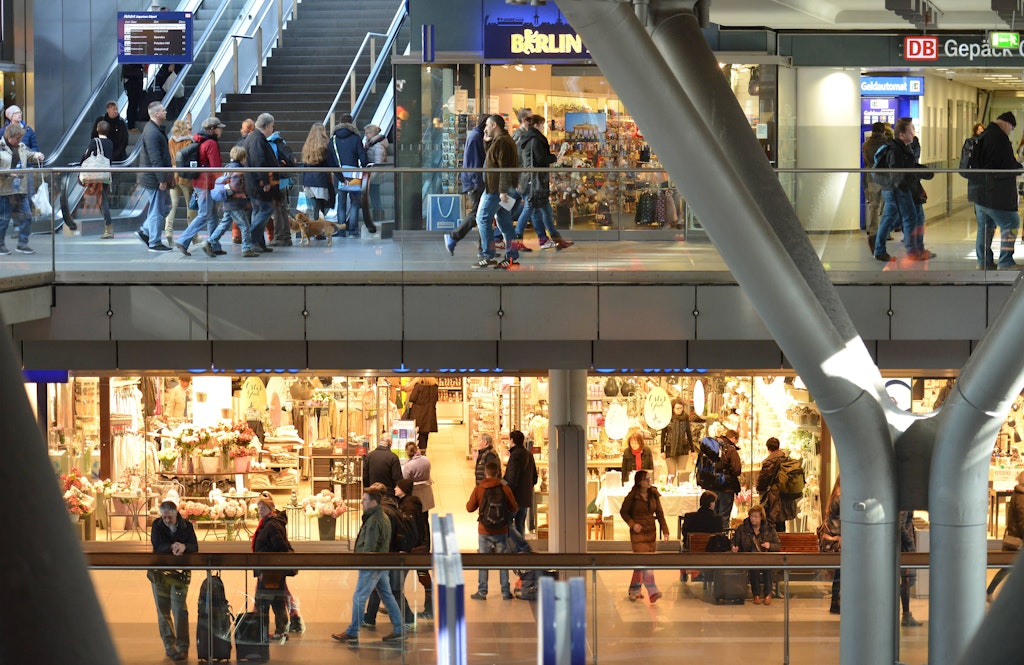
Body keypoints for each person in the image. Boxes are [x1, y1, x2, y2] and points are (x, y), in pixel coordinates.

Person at [331, 488, 406, 645]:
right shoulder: (382, 517)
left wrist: (362, 563)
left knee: (359, 597)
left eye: (365, 500)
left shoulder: (373, 521)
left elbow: (369, 549)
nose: (362, 502)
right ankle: (399, 629)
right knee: (387, 596)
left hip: (371, 566)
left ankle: (352, 632)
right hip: (381, 564)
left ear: (373, 502)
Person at [873, 118, 935, 262]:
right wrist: (905, 189)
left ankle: (880, 248)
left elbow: (909, 167)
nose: (913, 132)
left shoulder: (903, 148)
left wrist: (924, 171)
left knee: (892, 219)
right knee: (910, 219)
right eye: (911, 130)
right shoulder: (896, 150)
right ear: (901, 134)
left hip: (896, 189)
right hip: (898, 190)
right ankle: (913, 251)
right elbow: (897, 173)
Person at [148, 499, 198, 661]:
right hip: (160, 573)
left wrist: (184, 547)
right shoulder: (157, 526)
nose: (167, 520)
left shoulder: (187, 526)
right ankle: (170, 645)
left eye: (169, 517)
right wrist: (171, 547)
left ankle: (183, 647)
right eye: (164, 517)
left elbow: (194, 546)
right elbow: (157, 545)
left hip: (179, 573)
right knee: (163, 611)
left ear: (176, 513)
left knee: (179, 610)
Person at [362, 483, 415, 630]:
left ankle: (407, 619)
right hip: (392, 555)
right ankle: (370, 617)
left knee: (392, 589)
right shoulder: (392, 506)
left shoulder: (383, 512)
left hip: (387, 556)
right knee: (381, 587)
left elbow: (383, 537)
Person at [516, 114, 573, 250]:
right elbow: (541, 159)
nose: (543, 127)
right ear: (536, 125)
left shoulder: (527, 138)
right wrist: (555, 156)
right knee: (530, 209)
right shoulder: (536, 140)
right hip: (535, 182)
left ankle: (555, 240)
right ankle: (517, 239)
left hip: (532, 180)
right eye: (542, 124)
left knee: (544, 211)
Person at [973, 111, 1021, 270]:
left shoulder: (984, 135)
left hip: (979, 193)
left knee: (985, 227)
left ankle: (983, 262)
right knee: (1012, 222)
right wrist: (1019, 168)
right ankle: (1005, 261)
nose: (1011, 132)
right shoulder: (1000, 138)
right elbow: (1007, 165)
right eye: (1012, 129)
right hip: (996, 193)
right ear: (1008, 124)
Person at [473, 114, 520, 270]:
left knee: (482, 218)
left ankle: (489, 255)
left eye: (487, 125)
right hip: (501, 189)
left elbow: (503, 168)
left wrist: (502, 191)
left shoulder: (503, 143)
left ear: (495, 126)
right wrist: (487, 141)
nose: (484, 128)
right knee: (505, 222)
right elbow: (492, 159)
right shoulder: (501, 141)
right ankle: (512, 257)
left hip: (495, 190)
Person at [467, 461, 518, 600]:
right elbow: (514, 507)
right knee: (503, 561)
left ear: (485, 473)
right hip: (501, 530)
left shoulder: (479, 488)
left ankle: (482, 591)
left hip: (484, 530)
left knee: (483, 561)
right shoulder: (505, 488)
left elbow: (469, 508)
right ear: (498, 473)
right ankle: (505, 592)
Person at [174, 117, 226, 257]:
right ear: (212, 130)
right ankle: (183, 240)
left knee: (212, 214)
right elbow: (215, 167)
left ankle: (214, 245)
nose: (221, 130)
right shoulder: (211, 143)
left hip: (199, 182)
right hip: (206, 184)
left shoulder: (200, 140)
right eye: (219, 128)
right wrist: (222, 185)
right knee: (204, 214)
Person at [620, 469, 670, 603]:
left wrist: (665, 530)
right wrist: (632, 524)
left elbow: (659, 513)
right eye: (646, 479)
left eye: (649, 479)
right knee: (645, 562)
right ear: (639, 482)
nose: (649, 481)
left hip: (650, 533)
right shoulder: (633, 496)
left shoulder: (653, 494)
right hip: (638, 533)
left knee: (641, 562)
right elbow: (623, 512)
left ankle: (634, 590)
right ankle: (652, 590)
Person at [443, 114, 488, 256]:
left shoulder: (477, 136)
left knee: (483, 214)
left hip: (476, 181)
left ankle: (484, 248)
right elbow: (474, 163)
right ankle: (454, 237)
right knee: (478, 214)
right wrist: (477, 184)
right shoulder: (476, 137)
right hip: (476, 182)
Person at [252, 496, 295, 642]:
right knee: (276, 601)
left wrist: (271, 563)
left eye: (263, 507)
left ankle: (269, 631)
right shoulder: (269, 523)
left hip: (271, 571)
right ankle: (280, 631)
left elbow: (280, 546)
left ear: (270, 509)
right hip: (270, 570)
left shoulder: (271, 525)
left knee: (266, 602)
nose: (260, 510)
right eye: (258, 507)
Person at [206, 146, 256, 256]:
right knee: (245, 226)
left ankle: (210, 242)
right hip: (235, 203)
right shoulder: (238, 170)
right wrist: (244, 194)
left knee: (224, 224)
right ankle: (247, 249)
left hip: (228, 202)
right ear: (242, 157)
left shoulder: (228, 167)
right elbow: (235, 186)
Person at [396, 476, 434, 620]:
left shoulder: (408, 506)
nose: (395, 488)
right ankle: (429, 607)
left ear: (403, 490)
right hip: (420, 548)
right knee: (423, 577)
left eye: (398, 487)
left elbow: (410, 529)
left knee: (400, 579)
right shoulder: (412, 504)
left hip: (414, 550)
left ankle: (398, 605)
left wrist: (405, 545)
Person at [241, 113, 280, 254]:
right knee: (266, 210)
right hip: (259, 184)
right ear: (267, 126)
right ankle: (251, 239)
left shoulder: (253, 138)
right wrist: (264, 181)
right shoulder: (258, 140)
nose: (272, 129)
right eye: (272, 126)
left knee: (258, 212)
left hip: (253, 183)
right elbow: (259, 162)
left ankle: (259, 243)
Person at [0, 123, 40, 256]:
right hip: (5, 190)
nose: (19, 141)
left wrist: (36, 156)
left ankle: (22, 243)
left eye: (20, 138)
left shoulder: (22, 147)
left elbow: (29, 155)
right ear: (9, 137)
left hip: (20, 189)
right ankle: (0, 245)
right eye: (17, 138)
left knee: (26, 217)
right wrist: (7, 173)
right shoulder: (0, 148)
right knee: (3, 220)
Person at [327, 113, 368, 238]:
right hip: (354, 174)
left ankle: (341, 230)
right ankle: (353, 231)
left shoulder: (333, 140)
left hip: (339, 175)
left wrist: (338, 173)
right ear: (352, 124)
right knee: (355, 202)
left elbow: (330, 159)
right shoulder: (356, 138)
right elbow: (363, 158)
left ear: (339, 123)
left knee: (341, 204)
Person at [731, 504, 781, 605]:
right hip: (749, 557)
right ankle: (756, 594)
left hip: (765, 557)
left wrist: (769, 545)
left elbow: (778, 545)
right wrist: (734, 547)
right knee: (754, 567)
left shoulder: (769, 528)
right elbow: (734, 541)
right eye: (751, 516)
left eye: (756, 516)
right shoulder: (742, 528)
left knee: (768, 567)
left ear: (761, 517)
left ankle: (768, 594)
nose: (753, 519)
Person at [987, 471, 1024, 601]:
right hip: (1018, 540)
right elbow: (1022, 519)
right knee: (1007, 567)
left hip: (1015, 537)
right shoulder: (1021, 497)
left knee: (1008, 568)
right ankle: (989, 592)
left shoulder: (1017, 494)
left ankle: (990, 592)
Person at [699, 427, 742, 530]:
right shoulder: (730, 450)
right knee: (724, 517)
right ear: (732, 438)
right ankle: (722, 541)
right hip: (726, 488)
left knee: (711, 516)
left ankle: (711, 539)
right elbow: (737, 470)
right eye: (736, 440)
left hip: (711, 486)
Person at [165, 118, 196, 247]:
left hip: (173, 175)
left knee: (172, 205)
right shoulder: (189, 142)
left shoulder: (170, 141)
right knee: (191, 206)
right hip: (186, 177)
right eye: (189, 129)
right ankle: (193, 235)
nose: (191, 131)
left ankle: (168, 232)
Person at [756, 437, 798, 533]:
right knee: (781, 521)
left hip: (774, 495)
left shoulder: (769, 461)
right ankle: (782, 542)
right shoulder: (787, 458)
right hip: (786, 492)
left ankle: (775, 543)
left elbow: (763, 479)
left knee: (773, 521)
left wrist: (759, 489)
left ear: (768, 448)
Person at [504, 429, 538, 548]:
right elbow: (535, 478)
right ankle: (521, 553)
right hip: (525, 498)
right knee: (520, 524)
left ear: (512, 440)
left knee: (507, 524)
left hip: (515, 497)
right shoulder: (529, 455)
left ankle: (522, 546)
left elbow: (512, 478)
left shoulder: (515, 456)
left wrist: (505, 489)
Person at [82, 121, 115, 239]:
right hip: (106, 174)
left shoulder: (94, 141)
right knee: (102, 199)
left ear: (97, 129)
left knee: (102, 201)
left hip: (96, 175)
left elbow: (87, 156)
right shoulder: (110, 143)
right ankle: (108, 228)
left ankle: (109, 228)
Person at [265, 128, 295, 246]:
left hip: (277, 181)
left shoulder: (270, 144)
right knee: (283, 210)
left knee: (277, 211)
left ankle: (278, 237)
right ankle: (287, 237)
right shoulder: (282, 142)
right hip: (285, 180)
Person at [300, 123, 336, 222]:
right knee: (321, 206)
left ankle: (316, 228)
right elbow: (332, 164)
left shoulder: (307, 146)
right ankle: (318, 229)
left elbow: (305, 165)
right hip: (321, 180)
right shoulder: (325, 146)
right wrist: (341, 178)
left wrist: (303, 182)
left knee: (317, 205)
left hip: (308, 180)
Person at [861, 121, 887, 255]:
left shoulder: (865, 145)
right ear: (883, 131)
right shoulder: (887, 144)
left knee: (873, 206)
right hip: (885, 179)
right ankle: (885, 232)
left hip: (871, 178)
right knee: (885, 206)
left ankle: (873, 231)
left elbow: (866, 162)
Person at [229, 118, 256, 244]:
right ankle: (248, 244)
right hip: (245, 185)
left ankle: (235, 235)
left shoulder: (239, 142)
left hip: (233, 194)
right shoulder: (254, 141)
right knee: (247, 214)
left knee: (230, 218)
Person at [819, 477, 842, 615]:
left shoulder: (834, 495)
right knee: (841, 573)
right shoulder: (841, 497)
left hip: (834, 538)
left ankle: (835, 602)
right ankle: (837, 603)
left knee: (839, 573)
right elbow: (844, 520)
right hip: (839, 538)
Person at [661, 398, 695, 484]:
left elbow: (688, 433)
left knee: (681, 474)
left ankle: (681, 494)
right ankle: (667, 491)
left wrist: (692, 450)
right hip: (669, 448)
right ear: (672, 409)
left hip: (683, 448)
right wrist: (662, 450)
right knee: (671, 474)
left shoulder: (685, 418)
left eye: (681, 408)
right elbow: (663, 434)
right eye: (677, 408)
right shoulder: (667, 418)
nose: (680, 410)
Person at [898, 510, 922, 626]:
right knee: (909, 579)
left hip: (903, 547)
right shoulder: (906, 505)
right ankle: (906, 615)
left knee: (909, 580)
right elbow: (901, 526)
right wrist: (910, 543)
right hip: (905, 549)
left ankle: (906, 614)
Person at [403, 377, 438, 451]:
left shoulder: (418, 386)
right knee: (425, 434)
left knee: (417, 434)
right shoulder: (435, 387)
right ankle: (423, 451)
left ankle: (417, 451)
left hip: (418, 413)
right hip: (430, 414)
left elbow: (412, 398)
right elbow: (436, 399)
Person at [364, 124, 389, 221]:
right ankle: (378, 219)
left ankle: (379, 219)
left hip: (374, 176)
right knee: (375, 198)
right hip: (372, 175)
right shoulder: (372, 144)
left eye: (367, 133)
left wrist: (371, 178)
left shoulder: (377, 146)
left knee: (375, 198)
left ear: (372, 133)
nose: (366, 135)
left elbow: (378, 164)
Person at [402, 440, 435, 512]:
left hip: (415, 493)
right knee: (425, 515)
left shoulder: (408, 466)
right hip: (426, 491)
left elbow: (406, 481)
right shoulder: (426, 460)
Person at [122, 63, 147, 131]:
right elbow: (127, 70)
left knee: (135, 103)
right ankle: (131, 125)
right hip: (132, 81)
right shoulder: (129, 59)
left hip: (137, 80)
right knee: (132, 103)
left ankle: (133, 123)